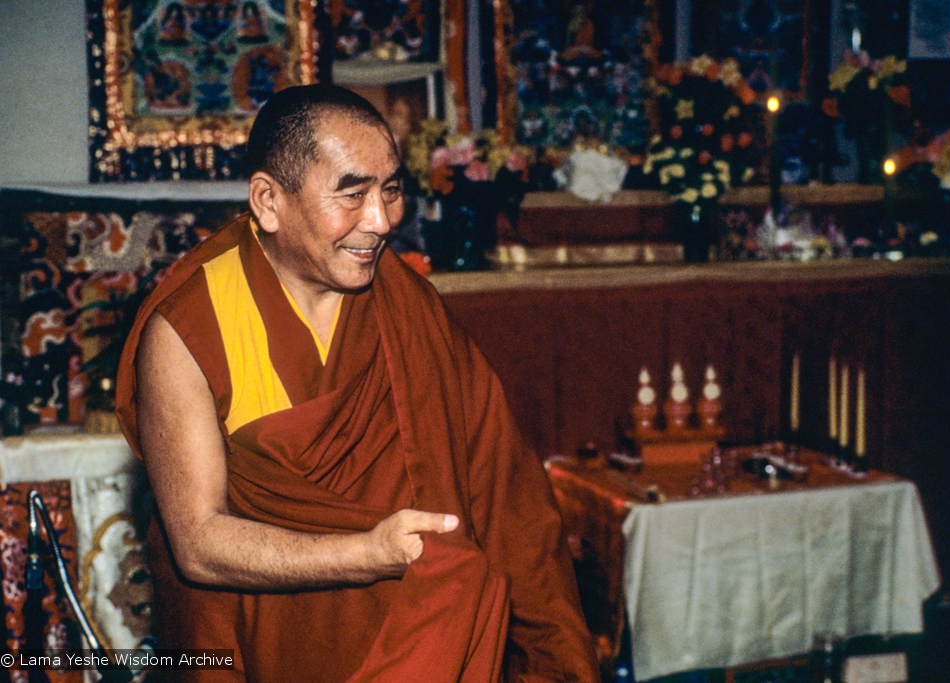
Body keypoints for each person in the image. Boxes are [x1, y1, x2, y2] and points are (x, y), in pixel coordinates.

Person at [115, 84, 599, 682]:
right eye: (352, 194)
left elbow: (507, 499)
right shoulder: (191, 328)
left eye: (391, 190)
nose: (382, 221)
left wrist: (555, 662)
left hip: (426, 642)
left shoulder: (405, 305)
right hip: (264, 643)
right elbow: (198, 541)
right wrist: (369, 553)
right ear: (268, 200)